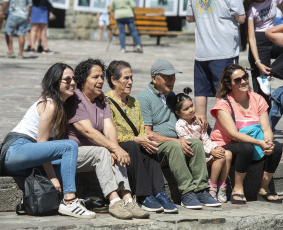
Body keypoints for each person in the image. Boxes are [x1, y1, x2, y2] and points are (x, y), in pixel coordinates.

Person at [0, 63, 95, 218]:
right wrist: (53, 178)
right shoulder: (50, 105)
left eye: (74, 79)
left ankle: (63, 200)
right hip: (18, 149)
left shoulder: (61, 107)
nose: (73, 83)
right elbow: (42, 145)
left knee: (63, 162)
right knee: (69, 146)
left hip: (25, 160)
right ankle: (70, 201)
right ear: (55, 82)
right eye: (67, 80)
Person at [67, 59, 149, 220]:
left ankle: (127, 198)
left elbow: (109, 127)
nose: (100, 81)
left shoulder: (101, 100)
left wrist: (115, 148)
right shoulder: (75, 99)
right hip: (73, 154)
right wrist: (113, 148)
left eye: (101, 77)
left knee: (115, 149)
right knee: (105, 151)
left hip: (96, 152)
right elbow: (87, 131)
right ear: (83, 80)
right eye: (95, 77)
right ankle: (114, 200)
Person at [137, 59, 221, 209]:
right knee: (175, 146)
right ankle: (187, 192)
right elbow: (148, 133)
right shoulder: (144, 98)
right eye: (166, 77)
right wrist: (175, 141)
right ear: (154, 78)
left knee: (195, 143)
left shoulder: (171, 95)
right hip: (158, 148)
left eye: (173, 77)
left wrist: (196, 116)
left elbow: (182, 114)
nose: (171, 81)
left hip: (176, 141)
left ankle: (201, 189)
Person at [105, 60, 178, 213]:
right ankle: (144, 195)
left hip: (136, 141)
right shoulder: (106, 102)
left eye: (131, 78)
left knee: (149, 144)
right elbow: (112, 132)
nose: (130, 82)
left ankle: (160, 192)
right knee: (134, 145)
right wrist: (137, 139)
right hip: (119, 144)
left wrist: (143, 138)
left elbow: (140, 128)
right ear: (113, 79)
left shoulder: (133, 102)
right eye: (126, 78)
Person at [210, 64, 283, 204]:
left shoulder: (257, 99)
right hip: (228, 145)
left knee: (277, 147)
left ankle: (264, 188)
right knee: (246, 147)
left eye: (245, 77)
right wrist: (259, 143)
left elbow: (267, 129)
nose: (243, 81)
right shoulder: (223, 104)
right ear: (229, 85)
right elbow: (233, 134)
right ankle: (238, 188)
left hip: (253, 143)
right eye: (237, 80)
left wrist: (267, 142)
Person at [185, 0, 245, 128]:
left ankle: (201, 130)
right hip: (224, 49)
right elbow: (241, 18)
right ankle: (223, 130)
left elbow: (189, 17)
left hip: (202, 50)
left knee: (201, 91)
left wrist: (207, 18)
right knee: (224, 92)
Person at [174, 87, 232, 203]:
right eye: (186, 109)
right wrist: (211, 152)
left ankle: (222, 185)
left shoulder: (198, 120)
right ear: (178, 113)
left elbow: (205, 139)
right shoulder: (180, 125)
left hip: (206, 152)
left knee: (228, 154)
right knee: (220, 158)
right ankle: (212, 186)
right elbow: (191, 144)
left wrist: (214, 148)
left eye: (191, 106)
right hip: (195, 155)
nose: (191, 110)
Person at [241, 0, 283, 107]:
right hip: (259, 41)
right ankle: (264, 121)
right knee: (263, 94)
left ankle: (270, 73)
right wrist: (257, 62)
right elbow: (252, 38)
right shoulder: (251, 8)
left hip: (274, 35)